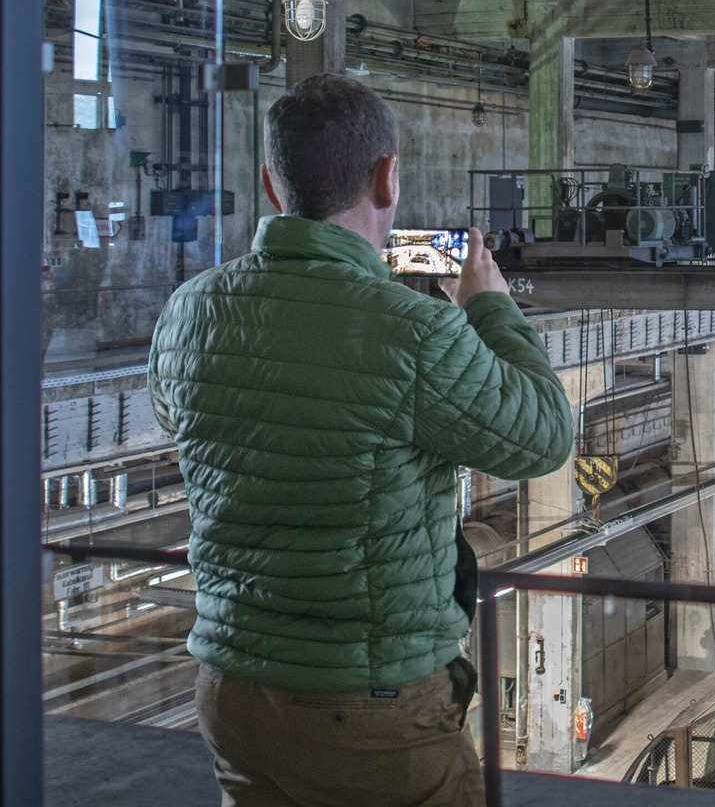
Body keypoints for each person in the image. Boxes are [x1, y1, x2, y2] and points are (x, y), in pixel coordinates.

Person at [148, 73, 574, 807]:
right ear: (387, 178)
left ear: (272, 185)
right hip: (370, 707)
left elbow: (178, 416)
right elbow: (544, 435)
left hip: (234, 694)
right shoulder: (415, 331)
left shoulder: (190, 311)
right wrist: (491, 308)